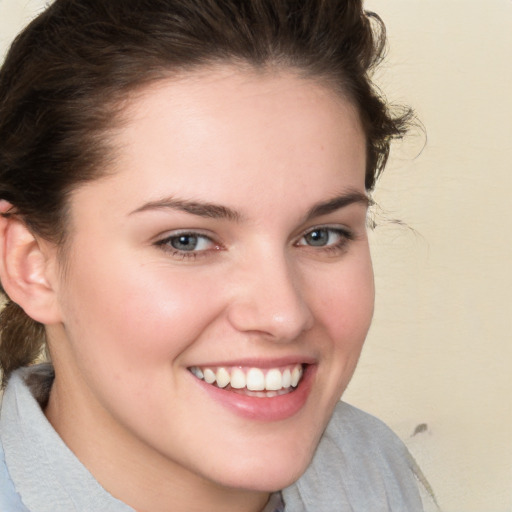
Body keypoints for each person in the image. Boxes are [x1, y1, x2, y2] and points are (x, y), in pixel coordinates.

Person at [0, 1, 437, 510]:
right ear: (32, 267)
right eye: (187, 241)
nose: (284, 315)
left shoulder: (368, 466)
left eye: (320, 235)